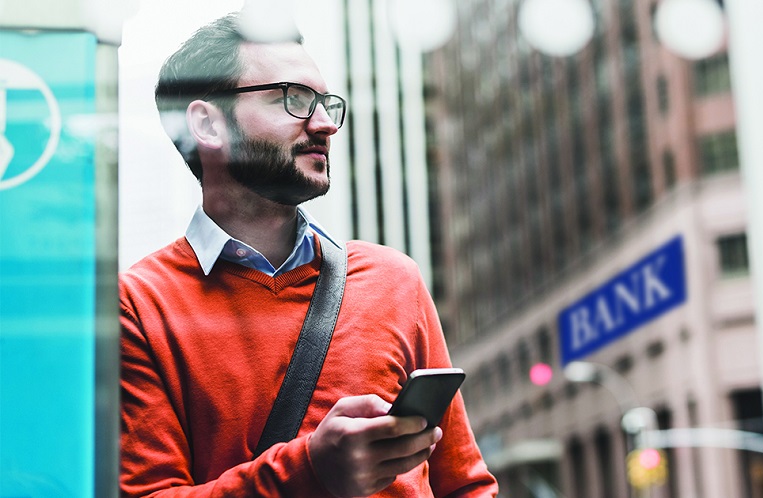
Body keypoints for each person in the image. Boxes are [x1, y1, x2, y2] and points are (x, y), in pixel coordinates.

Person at [119, 12, 497, 497]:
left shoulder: (394, 280)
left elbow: (467, 487)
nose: (324, 124)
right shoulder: (139, 305)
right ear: (208, 124)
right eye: (293, 99)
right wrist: (310, 470)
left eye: (325, 103)